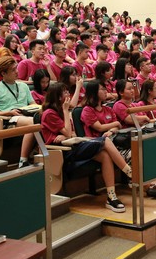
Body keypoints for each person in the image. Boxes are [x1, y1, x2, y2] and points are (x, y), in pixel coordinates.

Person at [41, 82, 132, 213]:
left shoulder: (61, 111)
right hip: (63, 152)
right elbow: (67, 132)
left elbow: (70, 133)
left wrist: (66, 134)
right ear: (57, 96)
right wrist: (66, 112)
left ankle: (111, 197)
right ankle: (129, 172)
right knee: (105, 140)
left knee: (105, 156)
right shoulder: (50, 113)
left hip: (73, 145)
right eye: (65, 92)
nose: (68, 94)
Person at [0, 57, 35, 168]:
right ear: (3, 73)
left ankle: (41, 155)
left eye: (16, 68)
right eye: (13, 70)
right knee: (32, 123)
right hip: (8, 120)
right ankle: (23, 160)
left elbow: (32, 104)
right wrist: (9, 113)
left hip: (25, 114)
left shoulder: (23, 86)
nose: (17, 71)